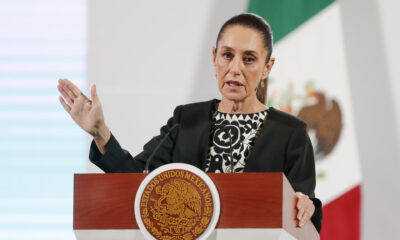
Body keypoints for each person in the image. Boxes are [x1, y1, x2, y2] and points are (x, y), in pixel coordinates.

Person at [57, 13, 322, 232]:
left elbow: (305, 215)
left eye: (249, 59)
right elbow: (137, 184)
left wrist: (305, 206)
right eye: (227, 55)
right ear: (214, 57)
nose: (235, 68)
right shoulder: (186, 120)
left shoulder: (290, 134)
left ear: (267, 67)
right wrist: (100, 132)